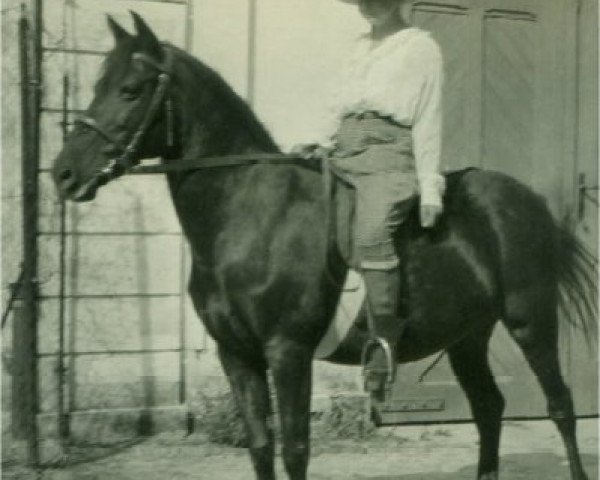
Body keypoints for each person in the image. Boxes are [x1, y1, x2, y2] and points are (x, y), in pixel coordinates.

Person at [294, 0, 445, 395]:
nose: (369, 8)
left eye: (378, 0)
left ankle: (382, 343)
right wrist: (319, 142)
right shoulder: (358, 46)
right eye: (363, 1)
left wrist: (429, 185)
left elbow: (429, 116)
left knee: (372, 234)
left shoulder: (419, 47)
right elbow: (336, 105)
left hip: (388, 155)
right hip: (342, 150)